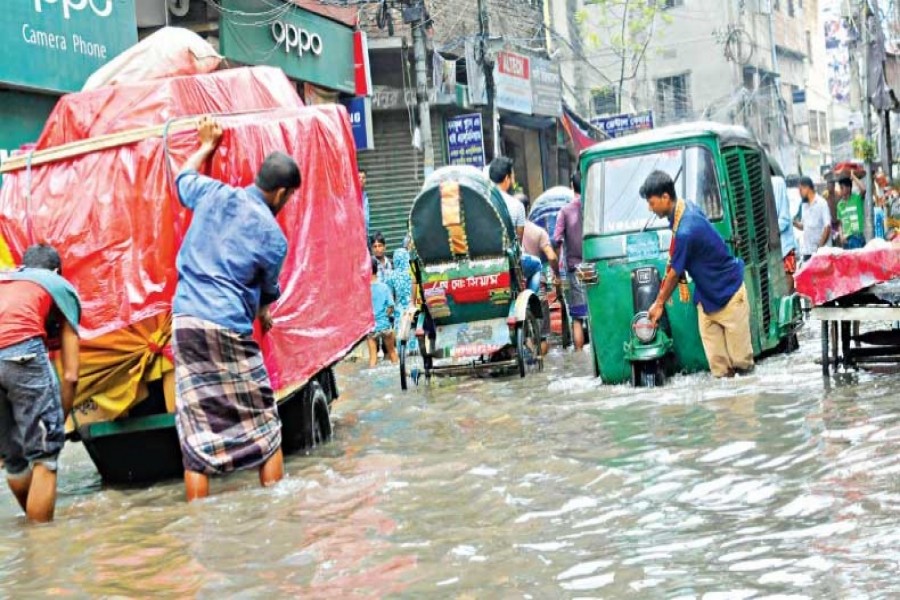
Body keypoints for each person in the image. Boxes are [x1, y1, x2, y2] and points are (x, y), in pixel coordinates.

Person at [172, 115, 299, 502]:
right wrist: (264, 315)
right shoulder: (273, 238)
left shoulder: (213, 193)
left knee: (197, 434)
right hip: (228, 326)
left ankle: (199, 517)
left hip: (186, 322)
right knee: (265, 427)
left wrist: (205, 147)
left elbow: (181, 179)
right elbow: (265, 294)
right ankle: (275, 509)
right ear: (281, 193)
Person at [641, 170, 754, 378]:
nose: (650, 208)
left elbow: (674, 273)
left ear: (665, 197)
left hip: (729, 294)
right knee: (720, 372)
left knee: (743, 366)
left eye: (652, 202)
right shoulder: (684, 209)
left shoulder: (686, 229)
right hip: (706, 300)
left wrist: (659, 304)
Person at [0, 244, 80, 522]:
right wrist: (58, 424)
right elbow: (71, 374)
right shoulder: (57, 284)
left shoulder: (6, 278)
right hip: (21, 351)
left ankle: (31, 531)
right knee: (45, 456)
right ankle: (42, 542)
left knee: (14, 459)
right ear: (56, 271)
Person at [553, 171, 587, 350]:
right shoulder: (594, 206)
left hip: (575, 270)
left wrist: (556, 272)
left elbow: (556, 240)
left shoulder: (565, 211)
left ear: (572, 186)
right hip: (596, 266)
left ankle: (579, 353)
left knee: (578, 318)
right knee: (597, 314)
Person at [770, 165, 798, 293]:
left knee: (787, 279)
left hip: (785, 246)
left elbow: (784, 220)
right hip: (774, 247)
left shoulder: (777, 183)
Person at [368, 257, 399, 368]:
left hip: (371, 327)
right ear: (376, 269)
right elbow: (391, 306)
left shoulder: (365, 290)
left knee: (373, 358)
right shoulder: (384, 287)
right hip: (385, 325)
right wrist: (385, 316)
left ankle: (371, 374)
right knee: (392, 353)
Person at [793, 176, 832, 261]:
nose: (799, 193)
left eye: (800, 190)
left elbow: (827, 227)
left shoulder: (822, 203)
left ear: (807, 188)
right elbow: (804, 226)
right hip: (807, 252)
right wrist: (794, 223)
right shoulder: (804, 205)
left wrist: (819, 248)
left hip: (821, 253)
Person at [488, 157, 526, 241]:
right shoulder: (517, 206)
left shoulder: (483, 201)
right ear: (506, 178)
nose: (513, 179)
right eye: (512, 176)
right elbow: (518, 241)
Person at [836, 176, 865, 249]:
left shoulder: (857, 199)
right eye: (840, 188)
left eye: (842, 188)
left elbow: (863, 189)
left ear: (848, 188)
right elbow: (840, 224)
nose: (840, 190)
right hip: (846, 240)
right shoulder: (839, 205)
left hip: (857, 238)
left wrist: (853, 177)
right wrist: (841, 236)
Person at [359, 168, 370, 236]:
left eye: (363, 178)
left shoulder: (365, 196)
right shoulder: (352, 196)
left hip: (364, 234)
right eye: (359, 177)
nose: (361, 180)